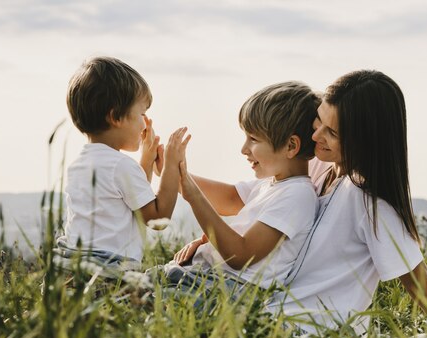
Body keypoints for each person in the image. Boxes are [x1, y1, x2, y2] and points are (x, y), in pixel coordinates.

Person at [268, 70, 427, 335]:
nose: (315, 135)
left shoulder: (371, 202)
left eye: (331, 132)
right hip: (272, 318)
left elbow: (419, 286)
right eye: (318, 119)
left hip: (316, 337)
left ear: (365, 142)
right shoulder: (321, 169)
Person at [162, 81, 320, 293]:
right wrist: (173, 170)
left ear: (290, 146)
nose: (244, 149)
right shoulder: (272, 184)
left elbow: (240, 255)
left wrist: (194, 197)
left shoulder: (297, 195)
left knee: (137, 295)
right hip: (208, 276)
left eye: (253, 139)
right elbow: (226, 199)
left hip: (229, 287)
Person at [56, 56, 190, 270]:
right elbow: (158, 217)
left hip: (73, 268)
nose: (145, 123)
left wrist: (145, 161)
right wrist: (171, 166)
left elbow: (134, 202)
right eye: (142, 114)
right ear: (116, 117)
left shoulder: (80, 164)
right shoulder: (120, 165)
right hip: (107, 274)